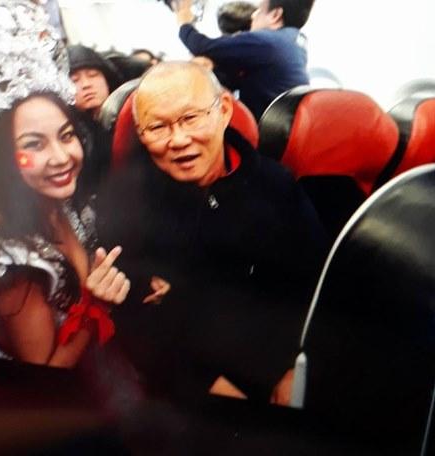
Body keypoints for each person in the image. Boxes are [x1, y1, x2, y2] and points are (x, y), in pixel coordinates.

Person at [96, 62, 326, 401]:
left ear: (224, 110)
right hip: (185, 386)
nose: (178, 140)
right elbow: (136, 323)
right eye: (157, 127)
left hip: (281, 368)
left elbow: (311, 288)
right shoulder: (125, 202)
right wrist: (208, 386)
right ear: (141, 134)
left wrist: (290, 368)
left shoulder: (276, 186)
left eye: (191, 118)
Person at [0, 91, 131, 367]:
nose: (61, 157)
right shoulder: (12, 258)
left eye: (66, 136)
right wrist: (96, 304)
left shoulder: (66, 206)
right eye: (34, 145)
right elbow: (47, 372)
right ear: (3, 159)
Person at [174, 0, 315, 120]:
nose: (253, 16)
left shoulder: (266, 41)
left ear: (275, 15)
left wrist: (184, 21)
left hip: (264, 132)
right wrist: (212, 68)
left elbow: (202, 46)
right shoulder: (295, 42)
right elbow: (239, 80)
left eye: (259, 11)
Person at [67, 44, 122, 195]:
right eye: (74, 80)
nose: (86, 85)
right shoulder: (69, 135)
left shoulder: (130, 115)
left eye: (93, 75)